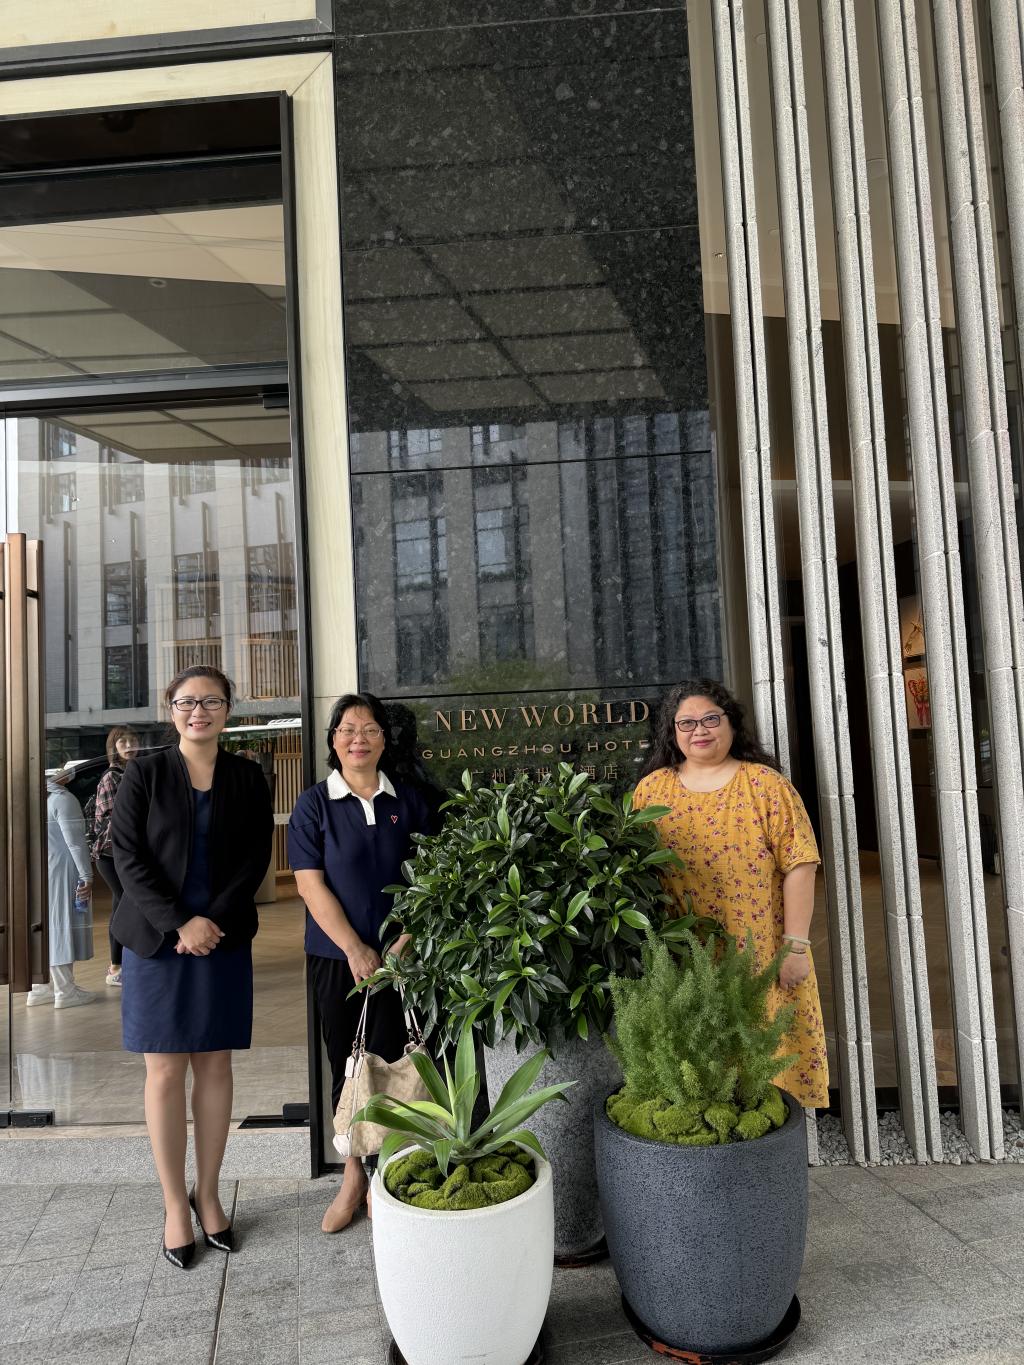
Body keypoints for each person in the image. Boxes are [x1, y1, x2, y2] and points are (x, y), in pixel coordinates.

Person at [111, 665, 273, 1270]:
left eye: (211, 701)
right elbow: (127, 856)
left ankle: (208, 1194)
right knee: (163, 1072)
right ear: (170, 708)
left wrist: (212, 923)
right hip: (157, 943)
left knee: (214, 1065)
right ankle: (174, 1205)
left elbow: (256, 855)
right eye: (186, 701)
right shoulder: (144, 773)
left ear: (228, 710)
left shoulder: (247, 776)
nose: (198, 711)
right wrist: (180, 922)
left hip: (221, 940)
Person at [634, 679, 829, 1110]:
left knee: (765, 1054)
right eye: (686, 723)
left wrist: (796, 946)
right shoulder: (652, 791)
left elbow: (801, 864)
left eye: (710, 719)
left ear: (731, 723)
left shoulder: (765, 785)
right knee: (696, 1059)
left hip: (760, 950)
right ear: (672, 732)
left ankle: (767, 1133)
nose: (699, 731)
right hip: (685, 952)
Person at [288, 691, 437, 1234]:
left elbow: (434, 878)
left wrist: (404, 943)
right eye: (348, 730)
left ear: (384, 740)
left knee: (399, 1061)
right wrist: (355, 948)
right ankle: (353, 1174)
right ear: (333, 740)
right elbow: (310, 885)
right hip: (337, 959)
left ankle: (390, 1174)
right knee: (348, 1063)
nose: (359, 739)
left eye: (370, 729)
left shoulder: (411, 802)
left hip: (405, 958)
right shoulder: (314, 804)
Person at [26, 765, 96, 1009]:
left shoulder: (35, 799)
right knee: (61, 926)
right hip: (62, 870)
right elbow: (75, 842)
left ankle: (39, 989)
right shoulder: (63, 799)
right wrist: (87, 875)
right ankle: (65, 991)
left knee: (43, 928)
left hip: (40, 870)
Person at [92, 725, 140, 987]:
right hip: (111, 853)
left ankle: (120, 965)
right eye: (123, 742)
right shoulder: (113, 777)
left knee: (123, 904)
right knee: (124, 904)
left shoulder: (134, 772)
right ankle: (115, 968)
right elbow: (118, 820)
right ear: (114, 748)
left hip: (123, 852)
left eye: (133, 740)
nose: (130, 746)